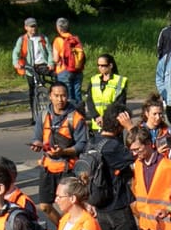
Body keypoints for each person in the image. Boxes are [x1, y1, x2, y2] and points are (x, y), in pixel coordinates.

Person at [32, 83, 88, 216]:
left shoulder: (75, 118)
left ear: (67, 96)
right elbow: (37, 137)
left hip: (68, 169)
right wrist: (36, 144)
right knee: (45, 206)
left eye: (63, 96)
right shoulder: (43, 115)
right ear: (50, 96)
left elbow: (82, 145)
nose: (60, 99)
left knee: (70, 208)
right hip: (47, 168)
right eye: (56, 96)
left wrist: (63, 152)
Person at [12, 17, 54, 120]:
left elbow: (50, 51)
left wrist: (51, 63)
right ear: (26, 27)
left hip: (43, 65)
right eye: (31, 26)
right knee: (32, 91)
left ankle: (53, 108)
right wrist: (16, 63)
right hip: (30, 67)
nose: (33, 28)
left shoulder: (43, 38)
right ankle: (34, 116)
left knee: (54, 82)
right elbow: (15, 53)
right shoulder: (22, 39)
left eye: (34, 26)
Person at [85, 54, 128, 128]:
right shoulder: (94, 80)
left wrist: (105, 118)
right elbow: (89, 101)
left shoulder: (120, 81)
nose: (100, 68)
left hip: (113, 123)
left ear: (110, 66)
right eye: (98, 65)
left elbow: (119, 103)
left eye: (103, 65)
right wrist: (96, 116)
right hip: (96, 124)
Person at [52, 17, 85, 105]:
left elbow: (55, 59)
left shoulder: (57, 40)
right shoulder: (75, 39)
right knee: (77, 93)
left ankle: (71, 115)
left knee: (68, 95)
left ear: (58, 28)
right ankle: (80, 113)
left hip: (64, 71)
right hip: (78, 69)